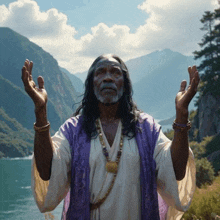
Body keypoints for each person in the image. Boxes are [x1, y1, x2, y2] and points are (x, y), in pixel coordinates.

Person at [21, 54, 199, 220]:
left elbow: (176, 171)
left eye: (115, 72)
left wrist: (182, 115)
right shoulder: (74, 130)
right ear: (92, 83)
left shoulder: (146, 128)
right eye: (100, 72)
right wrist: (40, 111)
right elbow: (46, 173)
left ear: (125, 83)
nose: (108, 77)